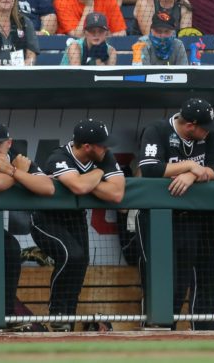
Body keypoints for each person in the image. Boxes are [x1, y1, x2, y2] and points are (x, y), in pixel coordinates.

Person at [136, 98, 214, 329]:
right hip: (156, 218)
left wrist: (192, 174)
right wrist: (189, 165)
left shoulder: (207, 136)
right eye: (204, 128)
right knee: (159, 278)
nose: (208, 132)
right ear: (190, 125)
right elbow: (149, 168)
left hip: (189, 219)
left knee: (180, 283)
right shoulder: (157, 130)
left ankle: (171, 336)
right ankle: (155, 328)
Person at [31, 118, 124, 332]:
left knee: (80, 262)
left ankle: (67, 320)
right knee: (71, 255)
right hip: (46, 218)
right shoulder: (60, 156)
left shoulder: (104, 156)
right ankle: (58, 314)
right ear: (87, 146)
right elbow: (79, 186)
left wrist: (91, 177)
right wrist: (100, 173)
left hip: (75, 218)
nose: (107, 148)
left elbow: (117, 193)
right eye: (102, 144)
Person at [0, 119, 55, 325]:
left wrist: (14, 171)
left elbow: (48, 188)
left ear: (9, 143)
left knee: (10, 248)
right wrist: (17, 172)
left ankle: (6, 313)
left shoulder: (18, 160)